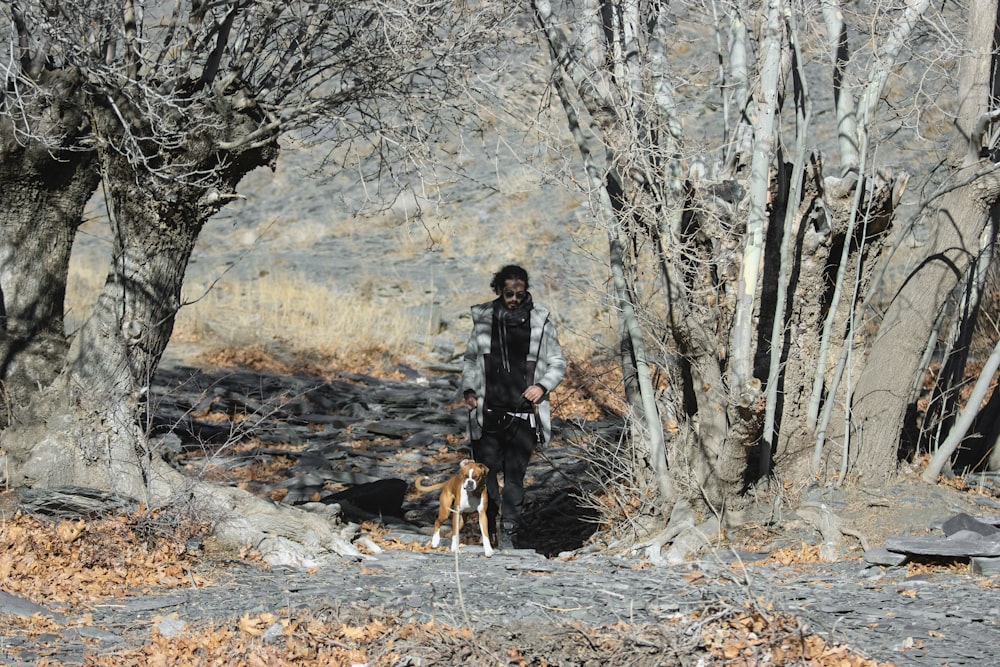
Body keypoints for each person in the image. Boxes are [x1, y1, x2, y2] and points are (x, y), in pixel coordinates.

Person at [462, 264, 566, 550]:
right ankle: (490, 527)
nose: (515, 300)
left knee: (515, 477)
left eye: (520, 294)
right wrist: (469, 391)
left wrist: (542, 386)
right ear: (499, 290)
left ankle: (509, 532)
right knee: (486, 477)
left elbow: (558, 362)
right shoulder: (484, 318)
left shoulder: (540, 320)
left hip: (524, 414)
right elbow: (470, 359)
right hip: (487, 414)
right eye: (509, 294)